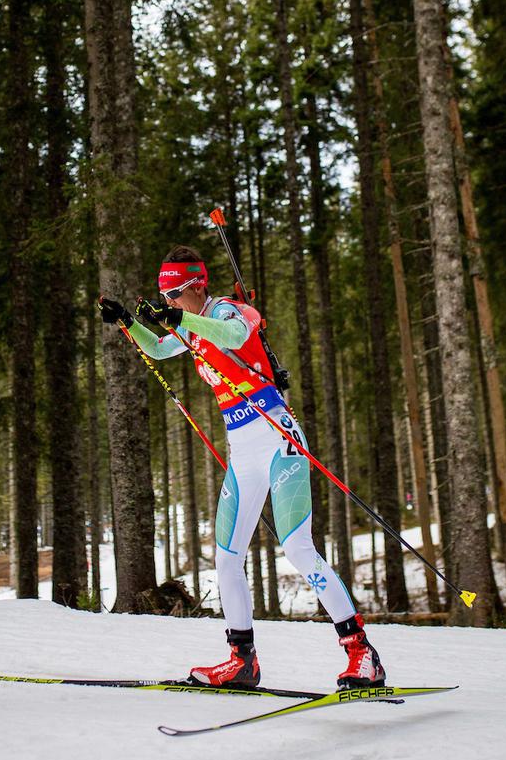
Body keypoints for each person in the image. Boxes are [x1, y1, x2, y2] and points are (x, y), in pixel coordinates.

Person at [98, 245, 385, 690]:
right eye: (165, 297)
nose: (170, 303)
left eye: (174, 294)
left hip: (278, 439)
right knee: (227, 561)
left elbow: (231, 337)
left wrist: (182, 320)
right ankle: (242, 661)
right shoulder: (188, 325)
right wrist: (127, 321)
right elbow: (156, 347)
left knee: (297, 549)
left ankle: (362, 654)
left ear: (196, 286)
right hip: (242, 452)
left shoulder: (235, 311)